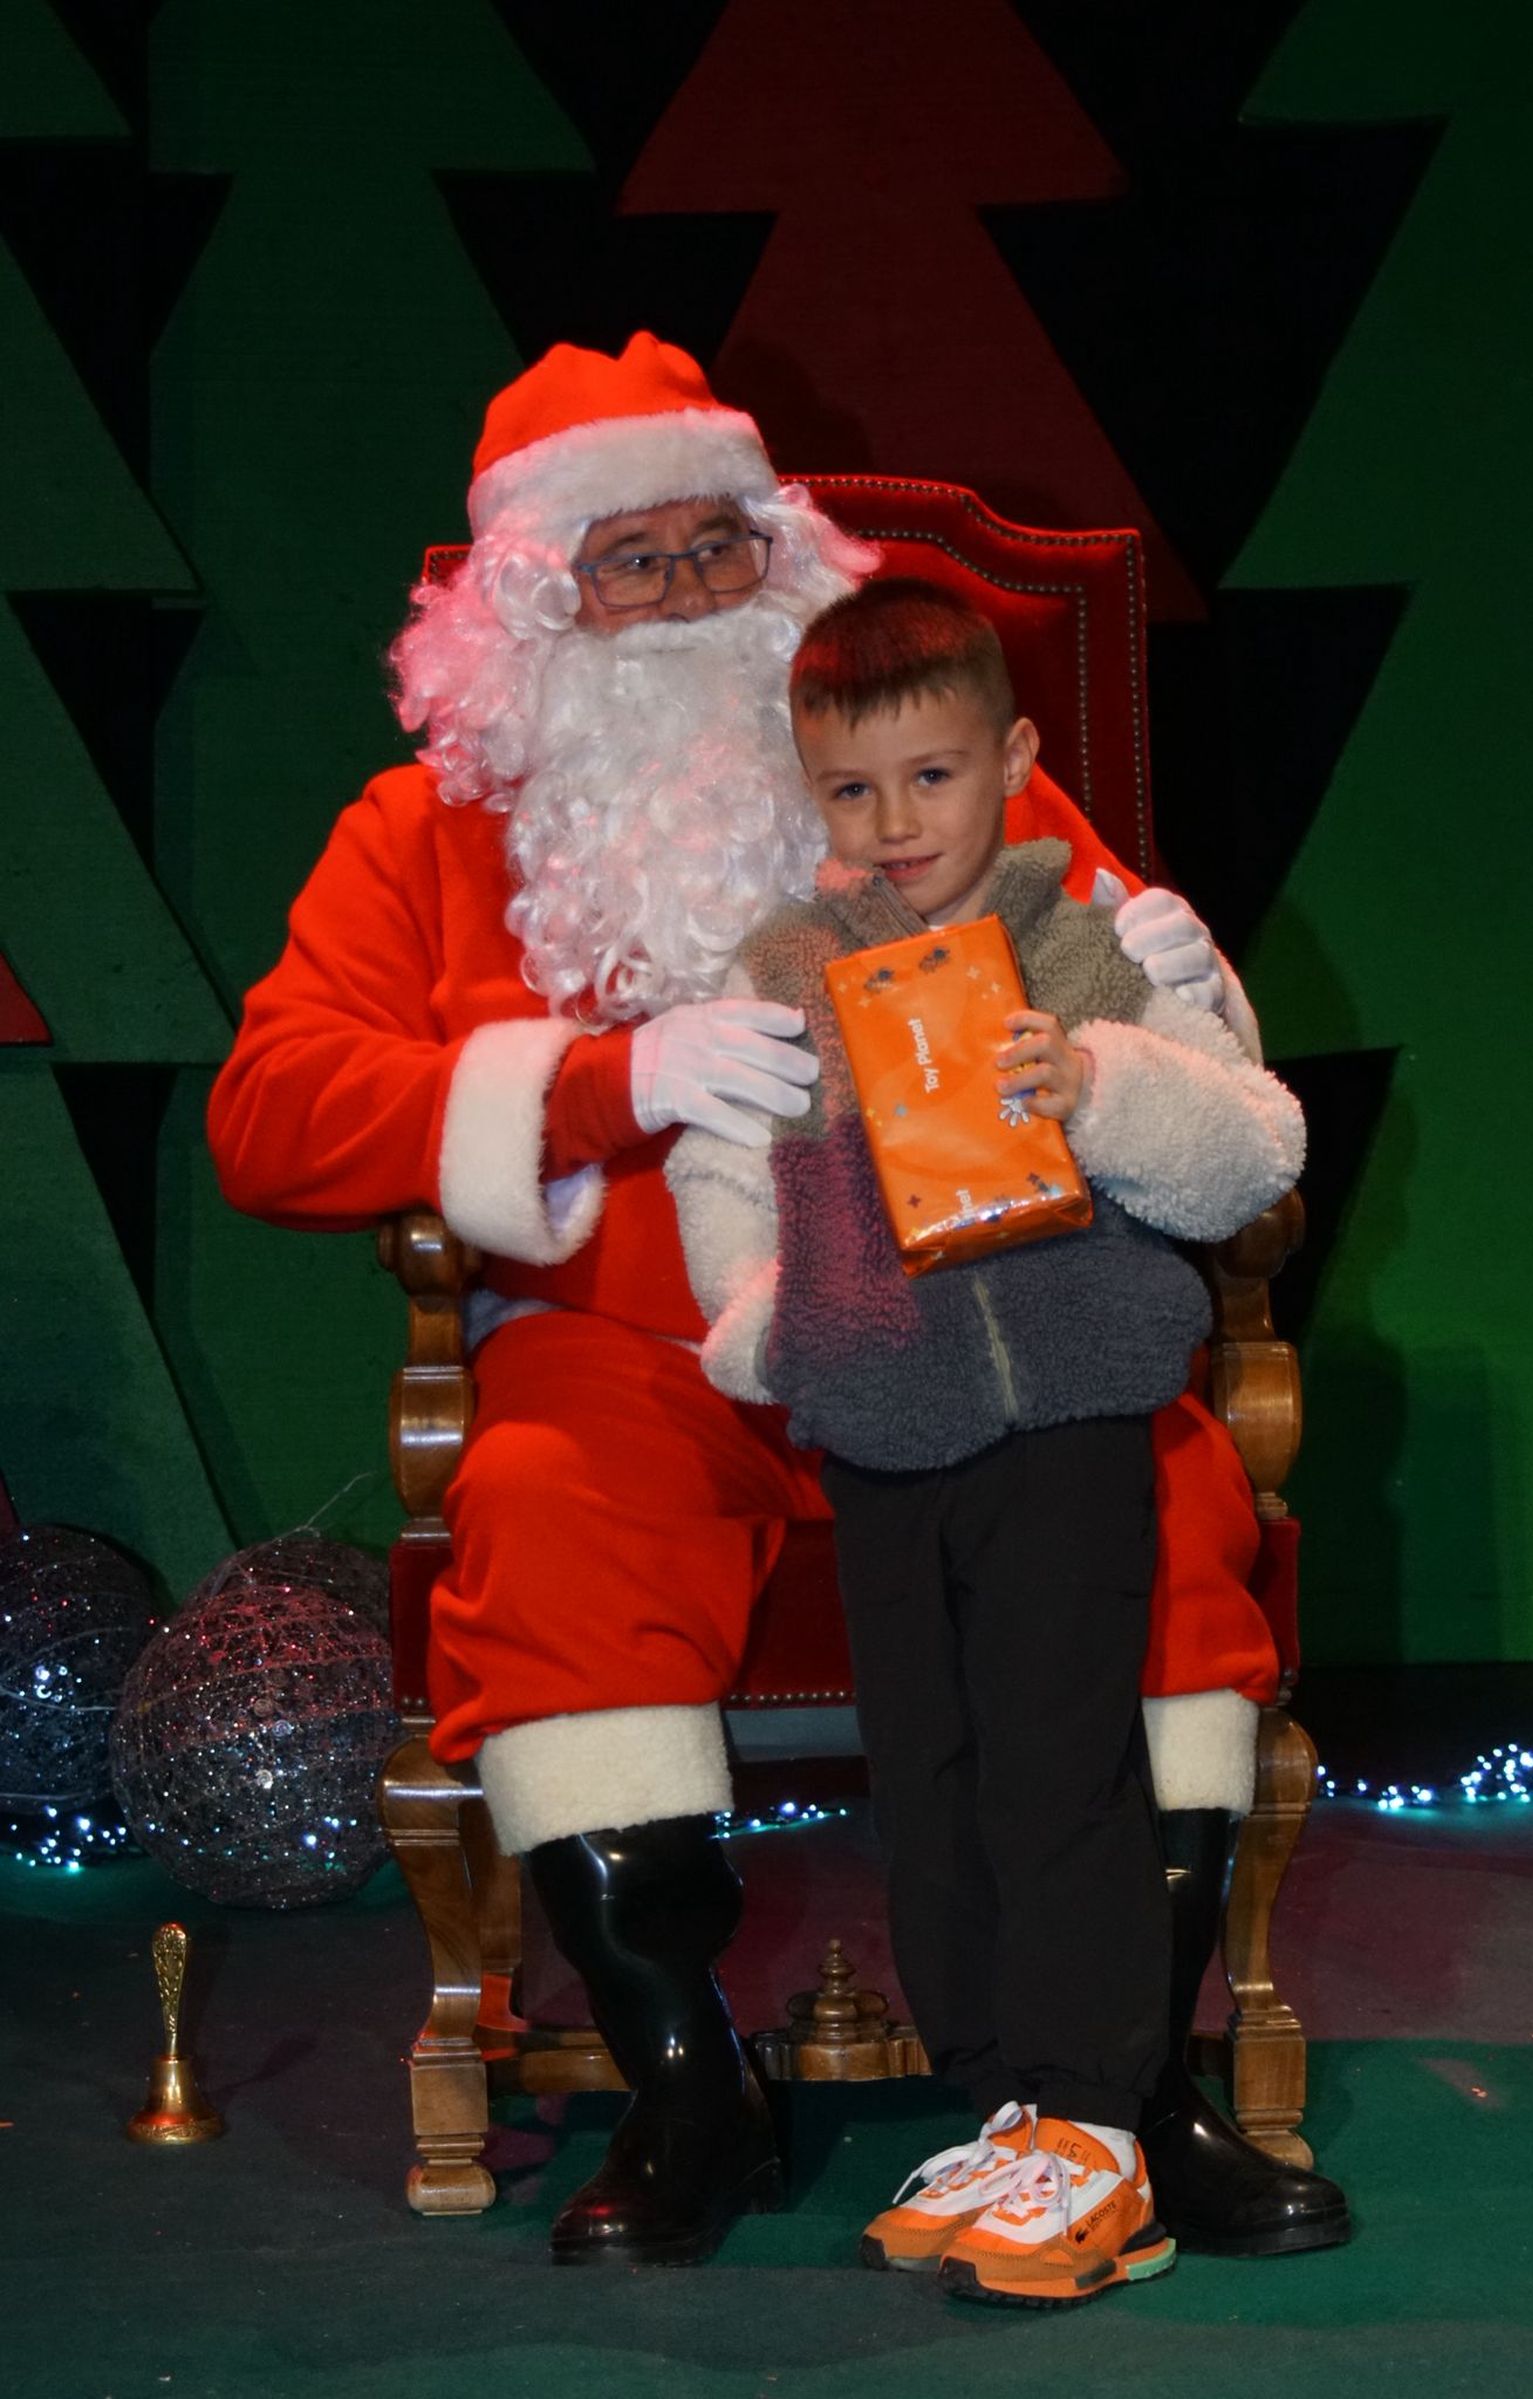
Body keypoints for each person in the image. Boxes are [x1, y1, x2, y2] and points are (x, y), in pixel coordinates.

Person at [207, 331, 1347, 2266]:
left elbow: (1166, 1033)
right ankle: (686, 2089)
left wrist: (1184, 989)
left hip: (988, 1333)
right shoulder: (421, 834)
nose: (681, 595)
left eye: (715, 545)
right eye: (626, 559)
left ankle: (1132, 2093)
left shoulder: (918, 769)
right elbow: (267, 1112)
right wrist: (604, 1085)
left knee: (1169, 1508)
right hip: (641, 1354)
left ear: (781, 557)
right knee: (545, 1517)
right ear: (529, 604)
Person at [665, 580, 1305, 2303]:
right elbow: (721, 1183)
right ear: (812, 790)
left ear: (1015, 759)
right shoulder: (784, 969)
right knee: (930, 1782)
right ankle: (1008, 2107)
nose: (897, 822)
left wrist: (1098, 1084)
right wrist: (777, 1329)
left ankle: (1096, 2123)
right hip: (885, 1431)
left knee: (1056, 1763)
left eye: (933, 776)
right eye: (853, 789)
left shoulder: (1093, 939)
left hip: (1071, 1419)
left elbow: (1253, 1152)